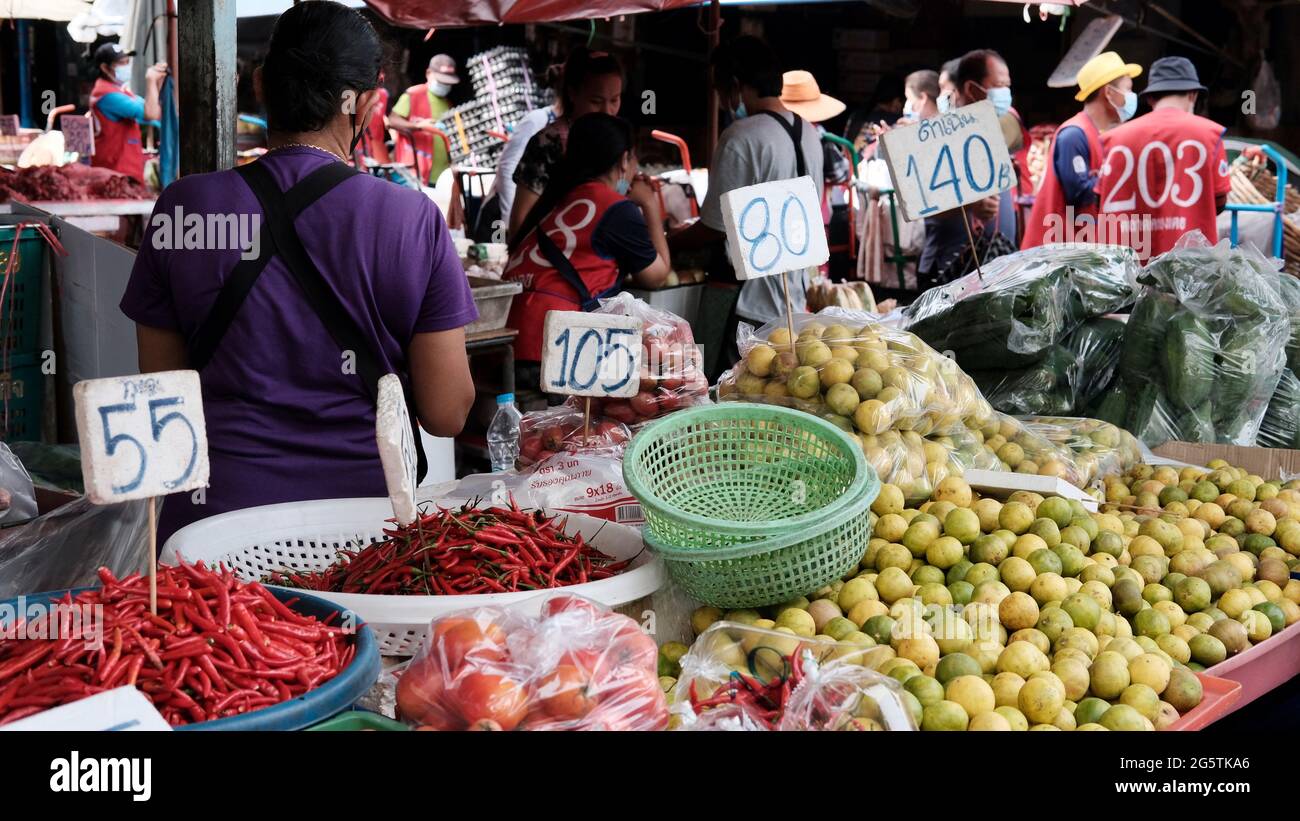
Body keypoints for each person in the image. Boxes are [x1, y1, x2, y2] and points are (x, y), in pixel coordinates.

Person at [119, 1, 477, 543]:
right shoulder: (411, 218)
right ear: (367, 104)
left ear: (261, 85)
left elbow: (163, 393)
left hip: (209, 530)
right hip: (362, 537)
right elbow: (448, 413)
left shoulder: (185, 208)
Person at [670, 36, 824, 375]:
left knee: (728, 392)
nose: (724, 101)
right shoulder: (809, 132)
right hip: (791, 300)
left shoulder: (741, 136)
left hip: (747, 304)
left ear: (736, 86)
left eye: (721, 90)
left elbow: (715, 226)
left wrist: (669, 240)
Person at [503, 113, 670, 388]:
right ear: (624, 160)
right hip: (551, 350)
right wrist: (650, 204)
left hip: (509, 345)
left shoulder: (555, 199)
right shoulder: (617, 208)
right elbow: (657, 275)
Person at [1095, 56, 1231, 260]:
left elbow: (1099, 200)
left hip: (1126, 270)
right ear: (1193, 95)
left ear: (1150, 99)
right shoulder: (1209, 135)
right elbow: (1219, 202)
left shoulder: (1114, 140)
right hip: (1189, 271)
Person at [1021, 51, 1142, 249]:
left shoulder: (1099, 135)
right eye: (1128, 90)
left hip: (1079, 248)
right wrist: (1117, 175)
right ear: (1109, 93)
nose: (1131, 97)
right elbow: (1079, 194)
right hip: (1055, 253)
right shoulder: (1073, 135)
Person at [508, 49, 624, 238]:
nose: (607, 111)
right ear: (572, 93)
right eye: (596, 101)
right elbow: (520, 222)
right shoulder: (547, 144)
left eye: (614, 100)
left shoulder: (617, 141)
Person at [473, 63, 566, 242]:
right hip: (501, 215)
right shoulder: (537, 121)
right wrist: (510, 219)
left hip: (530, 217)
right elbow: (507, 168)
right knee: (495, 258)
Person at [88, 42, 168, 184]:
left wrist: (158, 83)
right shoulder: (106, 95)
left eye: (127, 62)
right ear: (105, 68)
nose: (126, 66)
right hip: (115, 172)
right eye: (121, 63)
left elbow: (154, 114)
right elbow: (150, 113)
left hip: (127, 167)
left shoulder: (122, 91)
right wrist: (150, 81)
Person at [390, 54, 461, 185]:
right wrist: (419, 126)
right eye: (441, 81)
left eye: (447, 82)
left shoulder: (448, 104)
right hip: (415, 174)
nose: (445, 85)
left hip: (442, 177)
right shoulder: (413, 95)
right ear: (429, 73)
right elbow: (392, 121)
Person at [355, 70, 391, 166]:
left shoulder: (384, 95)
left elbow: (387, 116)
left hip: (376, 144)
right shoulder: (356, 94)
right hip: (357, 142)